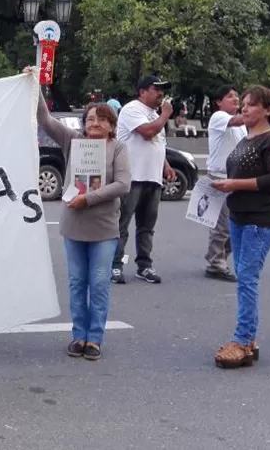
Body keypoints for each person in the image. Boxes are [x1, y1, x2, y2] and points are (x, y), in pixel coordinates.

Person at [36, 88, 131, 360]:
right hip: (74, 226)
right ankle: (79, 335)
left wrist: (88, 199)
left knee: (99, 284)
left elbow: (123, 184)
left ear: (112, 125)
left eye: (101, 119)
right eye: (90, 119)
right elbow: (44, 119)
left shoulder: (118, 148)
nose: (95, 123)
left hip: (104, 229)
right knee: (77, 283)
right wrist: (35, 86)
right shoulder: (73, 141)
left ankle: (95, 338)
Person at [211, 85, 270, 369]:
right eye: (243, 103)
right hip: (239, 217)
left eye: (251, 104)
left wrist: (235, 184)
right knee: (245, 278)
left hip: (260, 220)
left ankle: (242, 340)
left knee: (246, 279)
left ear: (267, 109)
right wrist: (223, 186)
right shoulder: (246, 137)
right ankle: (248, 340)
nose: (244, 108)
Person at [111, 75, 177, 285]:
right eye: (156, 89)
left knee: (147, 226)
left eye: (162, 90)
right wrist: (165, 114)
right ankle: (114, 265)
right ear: (142, 92)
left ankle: (144, 265)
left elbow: (158, 142)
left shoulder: (155, 115)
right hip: (131, 177)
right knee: (122, 224)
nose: (161, 94)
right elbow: (148, 132)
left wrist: (165, 165)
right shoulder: (132, 109)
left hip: (152, 178)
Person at [203, 85, 246, 281]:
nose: (236, 99)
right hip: (220, 177)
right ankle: (215, 263)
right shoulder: (219, 117)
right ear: (219, 102)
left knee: (237, 223)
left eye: (237, 95)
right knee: (222, 226)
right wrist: (258, 112)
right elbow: (237, 120)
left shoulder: (242, 125)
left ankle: (219, 258)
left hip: (237, 178)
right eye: (230, 96)